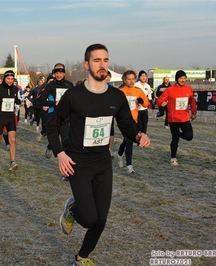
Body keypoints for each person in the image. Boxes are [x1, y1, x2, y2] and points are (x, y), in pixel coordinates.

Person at [46, 43, 150, 265]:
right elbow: (53, 125)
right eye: (96, 60)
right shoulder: (74, 96)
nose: (102, 65)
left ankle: (81, 257)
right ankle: (73, 208)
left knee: (101, 219)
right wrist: (60, 154)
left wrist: (139, 136)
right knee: (89, 218)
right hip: (78, 162)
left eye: (105, 60)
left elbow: (126, 126)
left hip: (103, 161)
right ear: (86, 65)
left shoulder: (116, 96)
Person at [156, 70, 197, 166]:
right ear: (176, 79)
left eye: (184, 78)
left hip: (184, 118)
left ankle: (177, 134)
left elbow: (192, 101)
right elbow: (159, 100)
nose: (183, 80)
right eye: (181, 78)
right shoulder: (170, 90)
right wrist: (161, 103)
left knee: (189, 136)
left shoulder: (188, 89)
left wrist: (194, 112)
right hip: (173, 118)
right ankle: (173, 157)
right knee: (175, 139)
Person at [114, 70, 149, 174]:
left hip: (134, 120)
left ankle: (119, 154)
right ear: (124, 80)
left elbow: (146, 103)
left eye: (133, 79)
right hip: (124, 121)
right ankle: (129, 165)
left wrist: (142, 102)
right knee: (129, 142)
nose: (131, 81)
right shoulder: (120, 91)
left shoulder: (138, 90)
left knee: (127, 140)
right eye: (129, 79)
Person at [38, 64, 73, 159]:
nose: (59, 75)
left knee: (66, 141)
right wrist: (54, 103)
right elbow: (42, 100)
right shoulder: (50, 86)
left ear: (64, 73)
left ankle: (65, 166)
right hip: (53, 116)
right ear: (54, 74)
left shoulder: (69, 85)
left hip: (66, 117)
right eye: (57, 73)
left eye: (61, 73)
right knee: (54, 139)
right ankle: (50, 147)